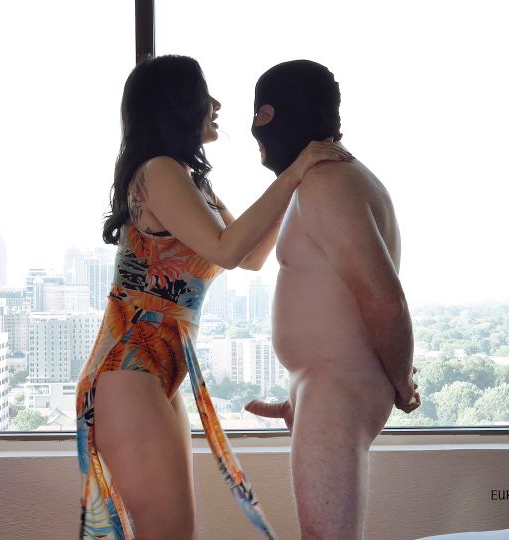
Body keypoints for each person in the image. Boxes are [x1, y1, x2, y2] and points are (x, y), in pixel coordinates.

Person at [75, 55, 352, 540]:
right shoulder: (159, 170)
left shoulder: (190, 180)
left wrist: (295, 176)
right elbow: (226, 249)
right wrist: (296, 170)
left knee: (175, 532)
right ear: (178, 104)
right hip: (128, 369)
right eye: (205, 94)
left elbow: (251, 256)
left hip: (155, 371)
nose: (217, 105)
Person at [244, 60, 420, 540]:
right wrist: (301, 396)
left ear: (277, 114)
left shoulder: (327, 181)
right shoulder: (326, 180)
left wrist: (402, 383)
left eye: (260, 116)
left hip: (335, 393)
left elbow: (385, 302)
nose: (254, 132)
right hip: (326, 391)